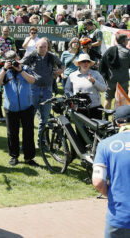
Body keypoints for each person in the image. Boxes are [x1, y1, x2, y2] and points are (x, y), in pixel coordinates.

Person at [0, 51, 38, 166]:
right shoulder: (5, 71)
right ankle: (14, 156)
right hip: (11, 108)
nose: (13, 62)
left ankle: (29, 158)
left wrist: (21, 70)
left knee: (28, 133)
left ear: (18, 57)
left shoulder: (25, 68)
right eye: (10, 60)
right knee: (12, 134)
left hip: (26, 106)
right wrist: (4, 69)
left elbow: (32, 80)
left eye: (14, 59)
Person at [92, 105, 130, 237]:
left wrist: (110, 194)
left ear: (117, 122)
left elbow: (97, 182)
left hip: (119, 217)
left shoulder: (105, 145)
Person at [21, 38, 64, 143]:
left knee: (44, 118)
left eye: (45, 47)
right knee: (29, 118)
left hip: (47, 90)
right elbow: (21, 64)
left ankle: (41, 142)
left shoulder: (52, 56)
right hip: (33, 89)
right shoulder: (32, 55)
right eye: (41, 47)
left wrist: (60, 71)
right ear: (36, 47)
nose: (43, 49)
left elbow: (62, 65)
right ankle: (27, 142)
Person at [65, 54, 107, 120]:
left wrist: (94, 82)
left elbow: (104, 88)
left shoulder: (96, 74)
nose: (86, 63)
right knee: (80, 130)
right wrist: (73, 98)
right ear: (79, 63)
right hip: (79, 108)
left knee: (95, 129)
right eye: (83, 61)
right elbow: (67, 90)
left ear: (90, 63)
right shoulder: (72, 76)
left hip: (95, 107)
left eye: (88, 61)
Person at [101, 33, 130, 109]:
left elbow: (103, 63)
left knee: (108, 99)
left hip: (111, 79)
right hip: (123, 80)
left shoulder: (109, 50)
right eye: (127, 39)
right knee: (121, 100)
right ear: (124, 41)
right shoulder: (128, 52)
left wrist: (105, 76)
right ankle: (117, 119)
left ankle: (106, 117)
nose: (128, 41)